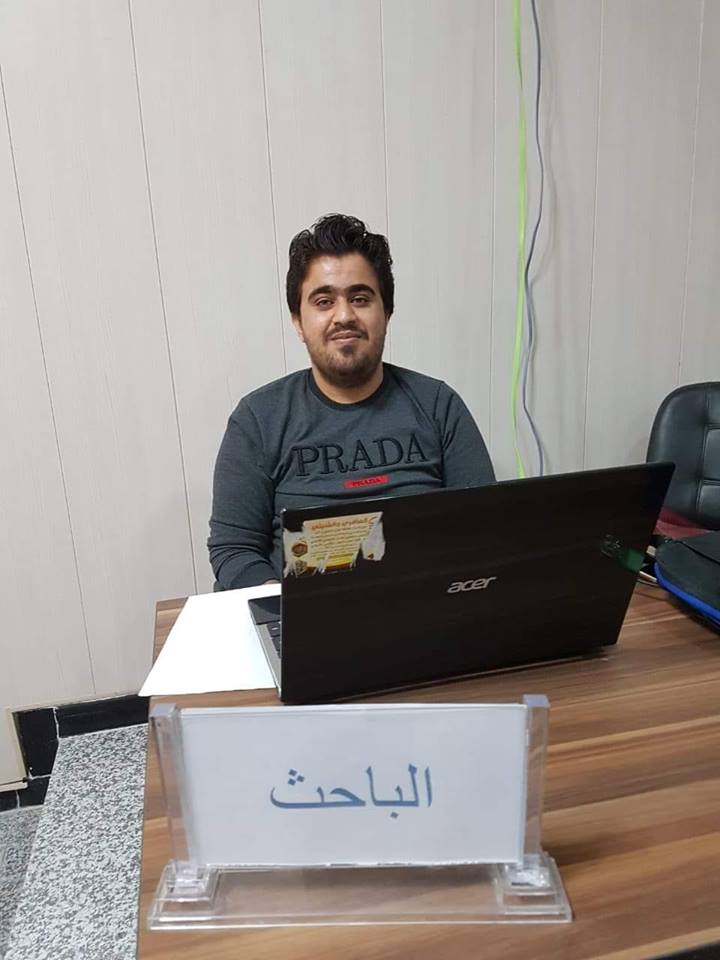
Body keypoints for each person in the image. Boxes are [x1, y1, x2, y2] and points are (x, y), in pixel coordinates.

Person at [208, 213, 495, 589]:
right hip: (303, 613)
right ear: (298, 321)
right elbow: (234, 549)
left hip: (425, 606)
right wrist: (286, 609)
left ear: (386, 312)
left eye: (360, 298)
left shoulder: (438, 406)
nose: (343, 316)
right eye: (323, 301)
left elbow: (483, 530)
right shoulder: (258, 420)